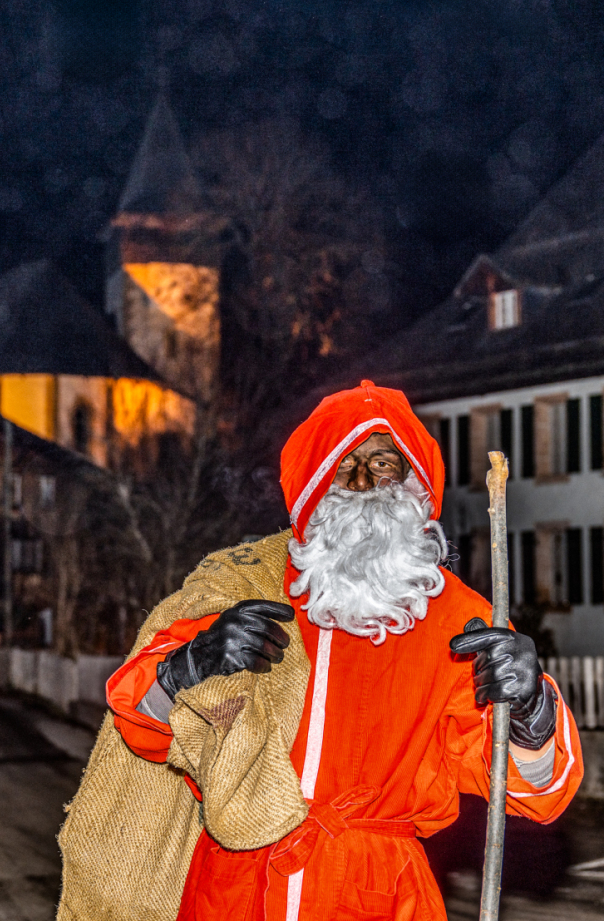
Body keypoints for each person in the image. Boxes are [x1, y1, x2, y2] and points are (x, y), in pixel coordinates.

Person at [57, 380, 582, 921]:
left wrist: (530, 714)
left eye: (383, 463)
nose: (363, 482)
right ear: (312, 485)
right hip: (238, 890)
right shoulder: (242, 586)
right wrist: (189, 666)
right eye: (343, 464)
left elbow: (533, 792)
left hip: (381, 896)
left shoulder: (459, 621)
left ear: (416, 483)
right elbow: (139, 722)